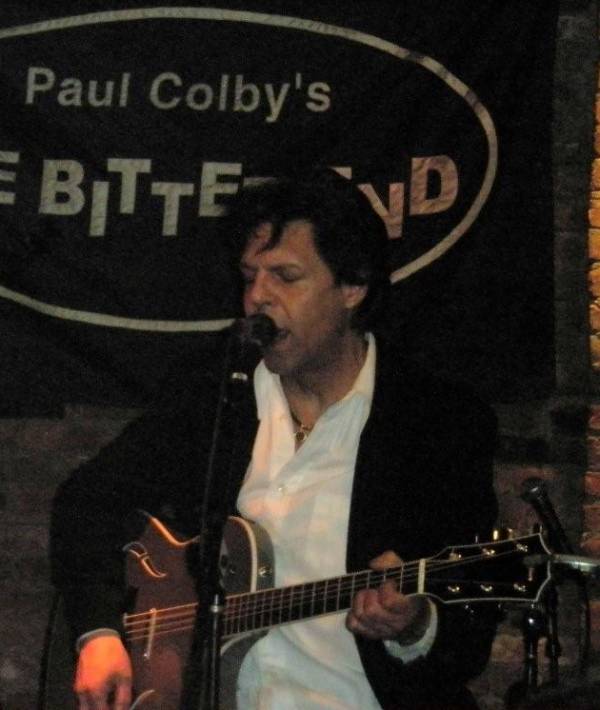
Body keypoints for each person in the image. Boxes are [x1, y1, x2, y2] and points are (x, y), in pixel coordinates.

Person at [50, 168, 499, 710]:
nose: (257, 297)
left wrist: (415, 624)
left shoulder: (437, 422)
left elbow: (469, 631)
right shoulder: (219, 385)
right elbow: (89, 500)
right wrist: (99, 636)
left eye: (285, 277)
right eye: (249, 276)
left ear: (352, 287)